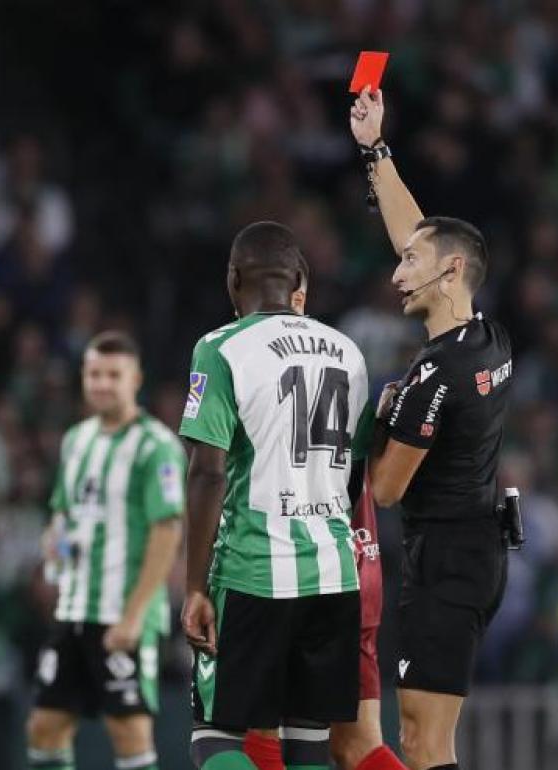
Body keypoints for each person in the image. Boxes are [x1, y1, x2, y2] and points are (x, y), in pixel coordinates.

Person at [351, 88, 514, 770]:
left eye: (410, 263)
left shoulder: (435, 376)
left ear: (452, 271)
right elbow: (418, 233)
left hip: (445, 559)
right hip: (475, 549)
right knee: (424, 740)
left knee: (421, 742)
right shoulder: (488, 335)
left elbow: (386, 490)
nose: (397, 272)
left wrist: (379, 420)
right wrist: (375, 149)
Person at [180, 221, 371, 770]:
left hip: (254, 572)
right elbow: (354, 473)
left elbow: (208, 472)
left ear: (233, 279)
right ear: (299, 281)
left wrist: (194, 588)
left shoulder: (221, 348)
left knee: (214, 738)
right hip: (334, 574)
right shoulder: (348, 352)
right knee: (307, 744)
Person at [243, 280, 407, 770]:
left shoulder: (254, 372)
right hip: (357, 562)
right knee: (355, 745)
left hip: (295, 565)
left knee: (257, 730)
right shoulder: (349, 368)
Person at [26, 331, 186, 770]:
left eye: (113, 375)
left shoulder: (156, 446)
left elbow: (167, 531)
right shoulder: (76, 440)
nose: (102, 384)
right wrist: (53, 544)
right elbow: (63, 512)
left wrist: (134, 615)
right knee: (45, 725)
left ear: (136, 379)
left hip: (122, 613)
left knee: (129, 731)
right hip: (74, 608)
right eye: (94, 374)